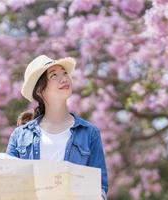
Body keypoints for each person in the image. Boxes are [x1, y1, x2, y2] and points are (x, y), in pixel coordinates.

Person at [6, 55, 108, 199]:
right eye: (54, 75)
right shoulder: (20, 135)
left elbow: (100, 188)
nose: (64, 79)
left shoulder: (89, 133)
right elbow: (7, 186)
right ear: (39, 90)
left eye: (65, 73)